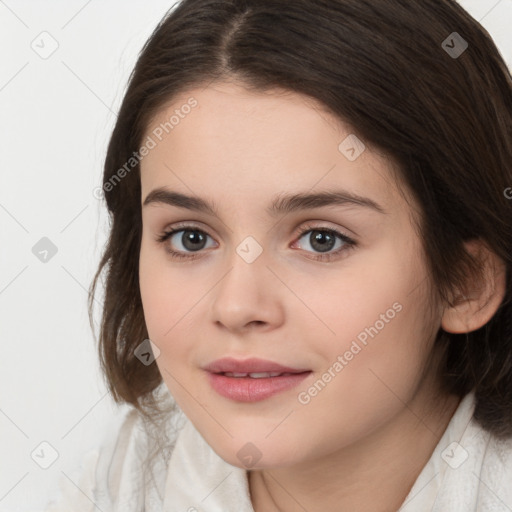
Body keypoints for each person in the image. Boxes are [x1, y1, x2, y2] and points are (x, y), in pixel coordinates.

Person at [44, 0, 512, 510]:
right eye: (190, 238)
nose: (237, 307)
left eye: (321, 240)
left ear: (465, 282)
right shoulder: (113, 484)